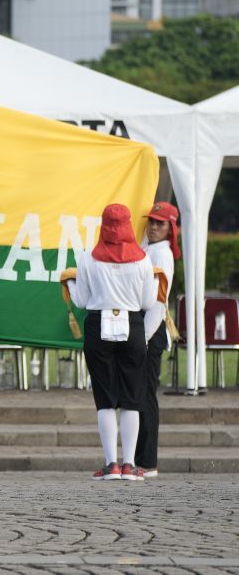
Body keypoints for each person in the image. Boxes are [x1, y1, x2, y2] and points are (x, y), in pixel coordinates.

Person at [63, 204, 162, 482]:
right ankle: (130, 464)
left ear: (103, 226)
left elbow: (81, 301)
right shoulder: (142, 260)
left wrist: (70, 284)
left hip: (99, 326)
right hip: (131, 326)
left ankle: (111, 465)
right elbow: (146, 303)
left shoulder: (88, 259)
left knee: (105, 400)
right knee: (132, 398)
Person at [137, 202, 179, 478]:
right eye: (151, 221)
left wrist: (142, 339)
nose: (153, 227)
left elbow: (158, 303)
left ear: (170, 229)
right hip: (146, 331)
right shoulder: (150, 249)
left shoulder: (161, 255)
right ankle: (141, 458)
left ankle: (148, 461)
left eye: (160, 223)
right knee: (139, 396)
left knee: (145, 396)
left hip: (150, 332)